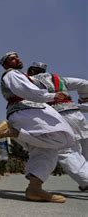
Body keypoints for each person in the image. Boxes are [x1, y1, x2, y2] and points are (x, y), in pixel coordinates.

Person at [0, 52, 76, 203]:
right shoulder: (12, 74)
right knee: (61, 136)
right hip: (27, 111)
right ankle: (11, 131)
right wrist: (52, 96)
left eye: (17, 57)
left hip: (28, 111)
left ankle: (34, 189)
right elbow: (27, 91)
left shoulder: (19, 74)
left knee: (47, 151)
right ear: (5, 64)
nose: (17, 59)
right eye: (12, 58)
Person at [26, 62, 88, 191]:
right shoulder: (60, 80)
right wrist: (84, 99)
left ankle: (86, 180)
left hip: (58, 117)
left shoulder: (29, 81)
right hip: (76, 114)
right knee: (85, 149)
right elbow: (84, 83)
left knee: (67, 150)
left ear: (31, 71)